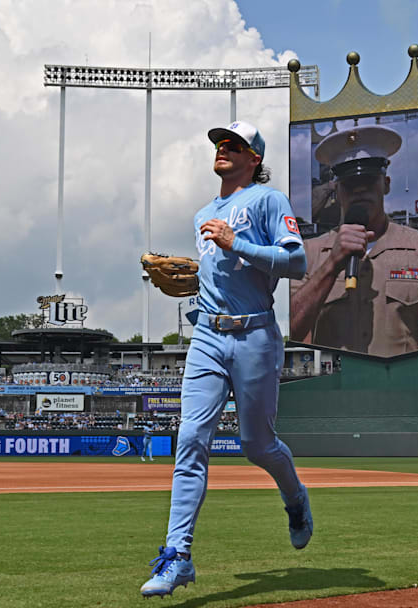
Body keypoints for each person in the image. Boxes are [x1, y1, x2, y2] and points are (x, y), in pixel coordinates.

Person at [139, 121, 313, 598]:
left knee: (258, 445)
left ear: (253, 158)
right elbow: (220, 275)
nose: (223, 149)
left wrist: (236, 244)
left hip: (255, 335)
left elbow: (296, 263)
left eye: (234, 145)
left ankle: (295, 498)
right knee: (191, 440)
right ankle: (177, 557)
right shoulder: (203, 216)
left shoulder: (268, 200)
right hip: (207, 338)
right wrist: (197, 276)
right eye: (219, 144)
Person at [289, 125, 418, 358]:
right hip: (334, 390)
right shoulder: (309, 253)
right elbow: (292, 331)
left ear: (386, 184)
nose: (360, 191)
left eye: (369, 181)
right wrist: (331, 265)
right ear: (337, 191)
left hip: (401, 388)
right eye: (350, 185)